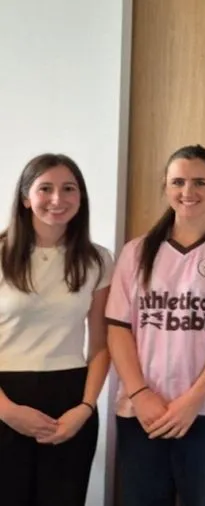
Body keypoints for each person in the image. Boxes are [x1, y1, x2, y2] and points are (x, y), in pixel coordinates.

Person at [106, 145, 205, 506]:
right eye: (178, 182)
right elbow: (118, 329)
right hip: (141, 412)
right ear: (165, 186)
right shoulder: (136, 252)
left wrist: (193, 401)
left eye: (199, 182)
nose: (188, 191)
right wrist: (140, 394)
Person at [0, 153, 112, 506]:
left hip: (69, 400)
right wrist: (8, 411)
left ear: (81, 198)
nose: (57, 199)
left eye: (69, 189)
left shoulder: (97, 259)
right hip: (4, 398)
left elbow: (100, 345)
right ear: (24, 197)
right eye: (45, 188)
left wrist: (85, 407)